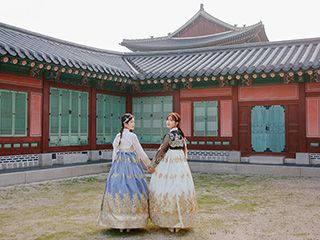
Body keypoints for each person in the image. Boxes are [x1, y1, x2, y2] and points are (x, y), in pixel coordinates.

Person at [99, 113, 155, 232]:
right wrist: (149, 165)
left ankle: (119, 222)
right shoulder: (132, 136)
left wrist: (114, 167)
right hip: (130, 166)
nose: (134, 124)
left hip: (118, 166)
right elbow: (140, 152)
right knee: (133, 189)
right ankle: (130, 223)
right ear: (126, 123)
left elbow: (114, 153)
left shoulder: (118, 136)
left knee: (119, 190)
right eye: (132, 122)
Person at [149, 112, 196, 233]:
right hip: (180, 164)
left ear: (176, 123)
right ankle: (179, 221)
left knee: (167, 187)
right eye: (167, 120)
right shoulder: (181, 134)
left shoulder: (169, 135)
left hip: (169, 162)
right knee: (179, 187)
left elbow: (162, 151)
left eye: (171, 120)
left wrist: (153, 165)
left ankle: (170, 221)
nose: (168, 122)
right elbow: (185, 151)